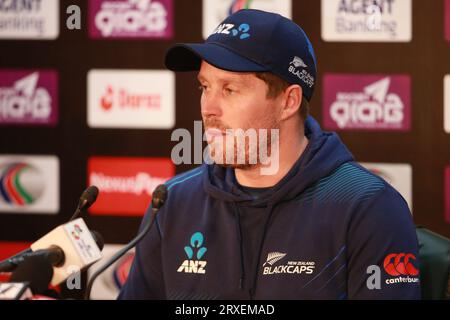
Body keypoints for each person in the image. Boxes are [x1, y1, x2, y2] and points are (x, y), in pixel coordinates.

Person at [118, 9, 421, 300]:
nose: (207, 108)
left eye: (229, 90)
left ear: (289, 102)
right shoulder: (172, 203)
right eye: (204, 87)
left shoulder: (368, 206)